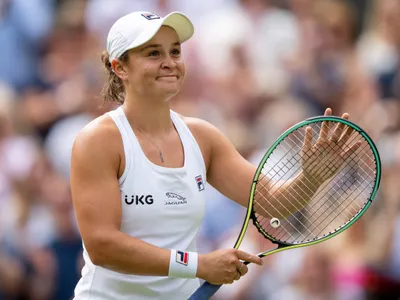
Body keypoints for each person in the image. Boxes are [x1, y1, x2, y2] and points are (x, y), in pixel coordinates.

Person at [70, 10, 355, 300]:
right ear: (120, 68)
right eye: (154, 53)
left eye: (175, 51)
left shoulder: (202, 137)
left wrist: (311, 177)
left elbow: (273, 203)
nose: (170, 62)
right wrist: (198, 265)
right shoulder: (98, 140)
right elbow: (102, 245)